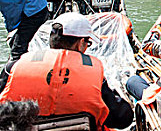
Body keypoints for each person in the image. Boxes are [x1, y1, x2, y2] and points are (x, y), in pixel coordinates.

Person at [0, 12, 133, 130]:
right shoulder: (93, 73)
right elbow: (122, 118)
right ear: (80, 43)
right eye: (88, 43)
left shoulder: (14, 67)